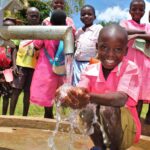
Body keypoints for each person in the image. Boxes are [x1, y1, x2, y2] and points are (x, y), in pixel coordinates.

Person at [56, 24, 141, 150]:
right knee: (87, 107)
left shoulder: (130, 68)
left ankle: (114, 148)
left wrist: (88, 96)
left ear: (125, 51)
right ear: (97, 47)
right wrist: (68, 94)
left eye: (117, 49)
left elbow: (120, 98)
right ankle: (99, 146)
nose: (110, 54)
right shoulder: (90, 69)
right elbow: (81, 91)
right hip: (102, 128)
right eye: (104, 47)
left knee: (107, 108)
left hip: (126, 130)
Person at [30, 10, 67, 119]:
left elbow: (36, 45)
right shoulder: (66, 30)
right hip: (60, 67)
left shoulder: (45, 30)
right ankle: (59, 116)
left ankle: (48, 114)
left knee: (46, 91)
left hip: (45, 67)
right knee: (60, 91)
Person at [120, 0, 150, 124]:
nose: (137, 12)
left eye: (140, 9)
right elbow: (122, 32)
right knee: (129, 93)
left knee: (141, 94)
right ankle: (127, 122)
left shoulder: (147, 26)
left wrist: (136, 35)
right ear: (129, 11)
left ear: (144, 11)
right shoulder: (125, 23)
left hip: (145, 66)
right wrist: (143, 34)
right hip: (130, 65)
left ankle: (136, 124)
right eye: (134, 9)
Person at [10, 7, 40, 116]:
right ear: (26, 16)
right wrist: (14, 65)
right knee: (16, 91)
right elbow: (15, 48)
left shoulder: (42, 31)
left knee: (28, 92)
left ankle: (25, 117)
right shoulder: (21, 30)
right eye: (31, 15)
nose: (34, 18)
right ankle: (11, 116)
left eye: (36, 16)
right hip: (20, 66)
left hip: (34, 67)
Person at [72, 5, 103, 86]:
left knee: (88, 85)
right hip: (76, 64)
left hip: (91, 63)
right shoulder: (78, 32)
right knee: (76, 85)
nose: (86, 16)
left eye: (89, 14)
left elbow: (101, 47)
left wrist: (93, 62)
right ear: (80, 18)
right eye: (83, 14)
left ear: (94, 17)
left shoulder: (98, 29)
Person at [0, 18, 17, 115]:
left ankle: (4, 117)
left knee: (6, 97)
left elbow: (14, 55)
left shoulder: (12, 44)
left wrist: (14, 66)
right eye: (5, 26)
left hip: (7, 72)